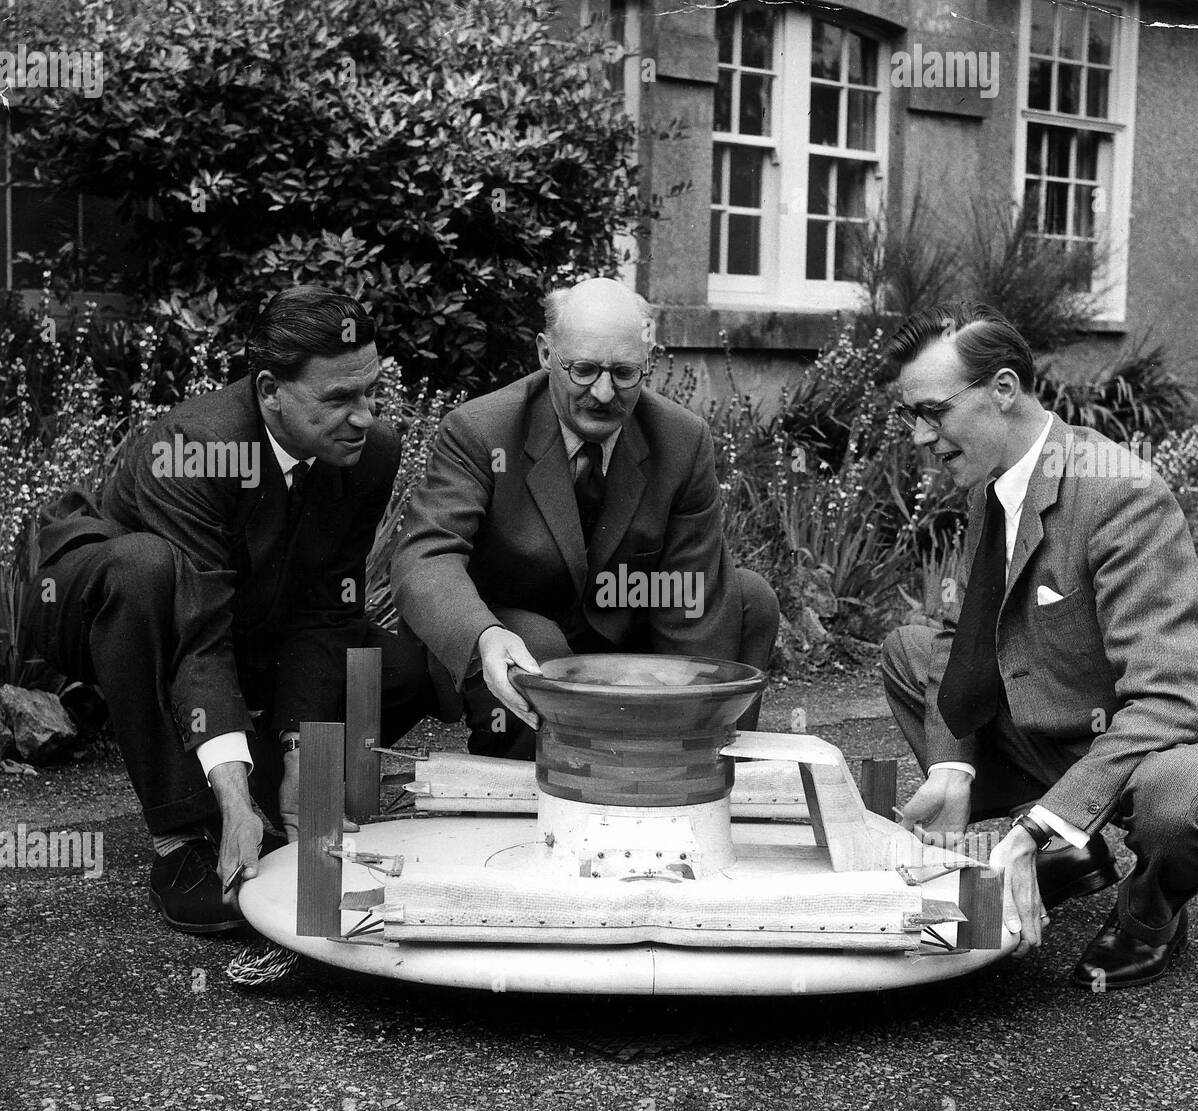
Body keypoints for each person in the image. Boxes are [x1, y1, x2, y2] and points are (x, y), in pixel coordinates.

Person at [879, 302, 1198, 989]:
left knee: (1181, 800)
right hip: (1066, 717)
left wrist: (1037, 826)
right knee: (909, 653)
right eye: (910, 416)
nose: (920, 436)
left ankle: (1149, 913)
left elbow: (1169, 699)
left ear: (1003, 390)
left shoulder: (1121, 493)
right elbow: (960, 638)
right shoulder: (992, 484)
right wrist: (952, 770)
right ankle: (1073, 851)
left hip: (1175, 739)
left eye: (933, 412)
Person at [29, 286, 439, 934]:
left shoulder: (371, 452)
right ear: (271, 390)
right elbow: (197, 630)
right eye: (339, 398)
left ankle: (272, 790)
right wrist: (231, 793)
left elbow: (327, 610)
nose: (364, 417)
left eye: (371, 392)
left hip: (243, 618)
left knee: (403, 668)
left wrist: (301, 748)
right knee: (144, 569)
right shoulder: (196, 445)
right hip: (118, 613)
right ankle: (181, 837)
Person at [391, 276, 779, 758]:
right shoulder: (479, 431)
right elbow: (425, 556)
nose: (603, 392)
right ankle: (545, 784)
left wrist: (684, 709)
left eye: (624, 373)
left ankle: (707, 765)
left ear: (648, 363)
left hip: (622, 623)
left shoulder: (682, 439)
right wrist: (484, 636)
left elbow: (690, 587)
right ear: (544, 353)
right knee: (536, 643)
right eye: (584, 370)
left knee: (749, 598)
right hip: (512, 633)